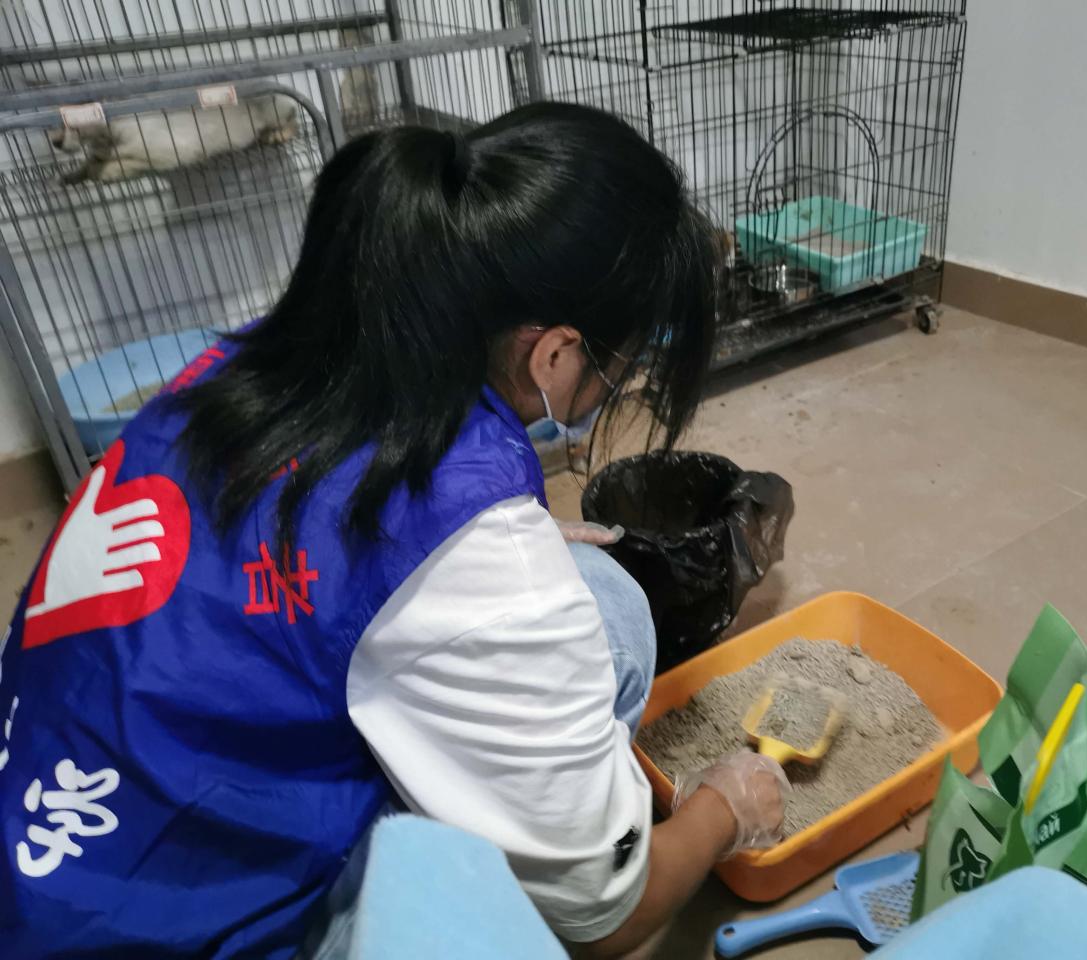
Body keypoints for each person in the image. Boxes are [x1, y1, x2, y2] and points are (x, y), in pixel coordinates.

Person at [0, 102, 787, 957]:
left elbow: (305, 538)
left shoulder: (263, 358)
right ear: (556, 355)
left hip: (52, 828)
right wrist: (723, 809)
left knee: (603, 603)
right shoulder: (489, 567)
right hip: (144, 929)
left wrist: (478, 551)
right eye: (623, 366)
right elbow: (611, 918)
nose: (620, 385)